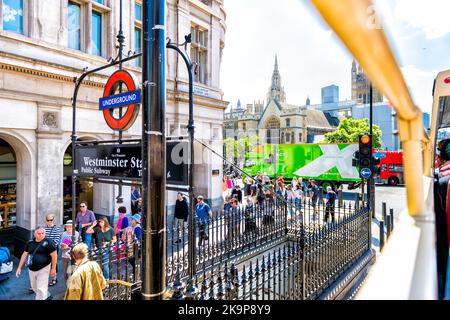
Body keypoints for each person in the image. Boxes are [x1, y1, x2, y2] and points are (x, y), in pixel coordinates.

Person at [16, 226, 57, 300]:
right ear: (35, 234)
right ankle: (47, 295)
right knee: (35, 287)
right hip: (31, 269)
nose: (41, 235)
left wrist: (53, 269)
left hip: (44, 268)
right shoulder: (30, 243)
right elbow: (24, 254)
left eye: (43, 233)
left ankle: (43, 296)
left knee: (41, 289)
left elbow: (54, 255)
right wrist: (19, 268)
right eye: (39, 233)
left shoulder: (49, 242)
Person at [89, 217, 117, 281]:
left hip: (107, 249)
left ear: (105, 222)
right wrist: (93, 225)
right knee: (98, 264)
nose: (100, 223)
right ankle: (100, 278)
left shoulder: (111, 230)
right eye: (99, 222)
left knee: (105, 265)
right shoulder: (98, 229)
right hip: (99, 249)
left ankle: (107, 279)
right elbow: (88, 231)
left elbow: (115, 240)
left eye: (102, 222)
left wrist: (108, 242)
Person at [44, 213, 64, 286]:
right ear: (46, 220)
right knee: (44, 264)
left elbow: (56, 241)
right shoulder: (44, 228)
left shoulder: (57, 228)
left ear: (53, 220)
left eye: (51, 220)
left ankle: (54, 279)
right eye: (48, 220)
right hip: (45, 249)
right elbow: (43, 239)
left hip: (53, 249)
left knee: (53, 264)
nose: (49, 221)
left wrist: (48, 246)